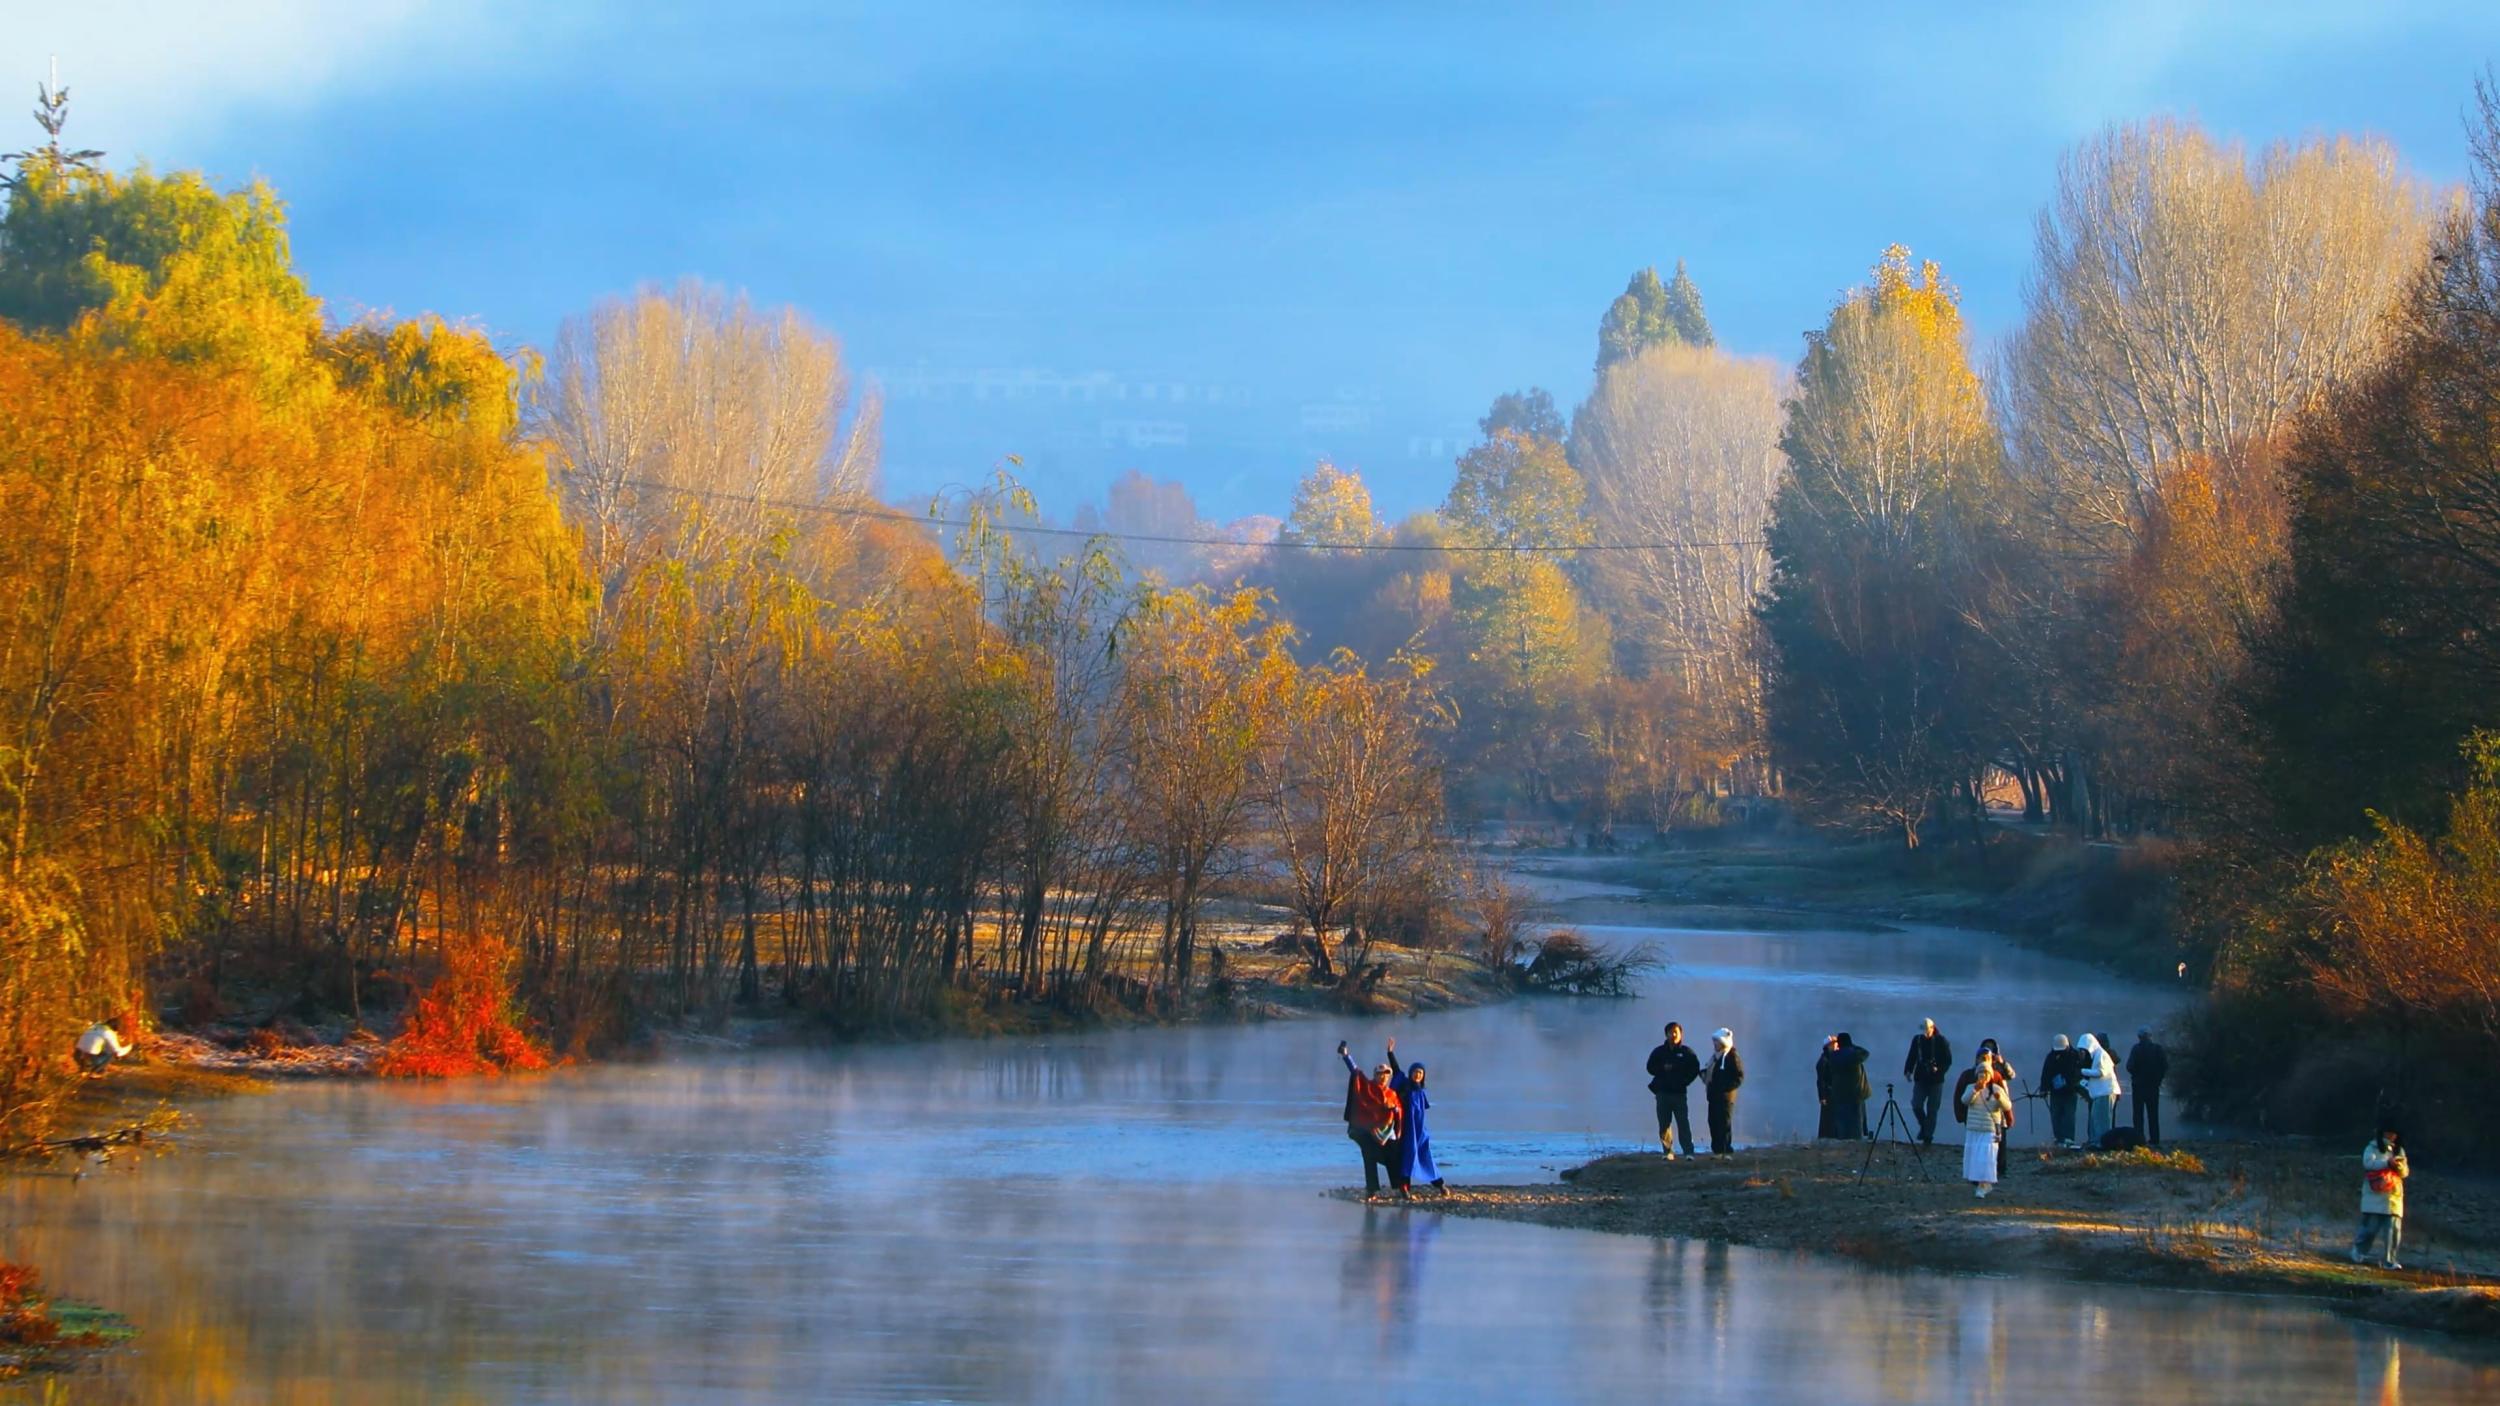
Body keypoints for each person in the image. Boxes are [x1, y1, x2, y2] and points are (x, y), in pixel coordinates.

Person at [1339, 1040, 1408, 1201]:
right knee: (1369, 1157)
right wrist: (1346, 1056)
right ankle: (1371, 1191)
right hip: (1369, 1131)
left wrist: (1395, 1111)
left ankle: (1401, 1188)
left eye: (1385, 1075)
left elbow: (1398, 1111)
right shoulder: (1368, 1087)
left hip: (1388, 1132)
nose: (1382, 1077)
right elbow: (1356, 1073)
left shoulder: (1392, 1093)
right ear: (1375, 1075)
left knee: (1395, 1158)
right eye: (1379, 1074)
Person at [1385, 1037, 1443, 1193]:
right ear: (1411, 1073)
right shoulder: (1404, 1085)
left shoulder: (1422, 1092)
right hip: (1406, 1128)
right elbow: (1396, 1071)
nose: (1418, 1075)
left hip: (1420, 1130)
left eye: (1421, 1073)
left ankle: (1439, 1184)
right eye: (1416, 1072)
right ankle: (1404, 1187)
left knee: (1425, 1155)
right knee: (1408, 1155)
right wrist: (1390, 1053)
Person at [2351, 1128, 2409, 1270]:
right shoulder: (2372, 1148)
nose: (2392, 1135)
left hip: (2393, 1195)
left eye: (2394, 1133)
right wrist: (2386, 1163)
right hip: (2375, 1194)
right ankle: (2359, 1251)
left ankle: (2390, 1261)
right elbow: (2368, 1164)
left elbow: (2405, 1172)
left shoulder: (2399, 1150)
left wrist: (2399, 1166)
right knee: (2370, 1228)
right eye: (2389, 1132)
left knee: (2393, 1231)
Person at [1644, 1022, 1702, 1159]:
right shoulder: (1659, 1052)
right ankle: (1668, 1151)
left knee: (1683, 1122)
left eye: (1676, 1032)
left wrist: (1685, 1081)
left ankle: (1688, 1152)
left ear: (1681, 1034)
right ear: (1666, 1034)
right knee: (1664, 1123)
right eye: (1671, 1032)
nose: (1674, 1035)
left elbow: (1695, 1069)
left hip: (1679, 1093)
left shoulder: (1686, 1052)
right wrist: (1663, 1068)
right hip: (1662, 1093)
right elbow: (1650, 1068)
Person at [1963, 1062, 2014, 1198]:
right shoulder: (1971, 1087)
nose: (1982, 1076)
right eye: (1980, 1073)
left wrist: (2000, 1098)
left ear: (1990, 1075)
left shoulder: (1997, 1089)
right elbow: (1965, 1101)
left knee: (1986, 1158)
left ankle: (1984, 1185)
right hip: (1974, 1128)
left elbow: (2007, 1106)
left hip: (1989, 1129)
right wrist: (1975, 1090)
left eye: (1985, 1073)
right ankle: (1979, 1182)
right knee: (1975, 1158)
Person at [1904, 1018, 1954, 1144]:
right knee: (1916, 1104)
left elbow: (1948, 1061)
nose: (1925, 1033)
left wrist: (1939, 1069)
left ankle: (1928, 1136)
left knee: (1932, 1109)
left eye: (1927, 1030)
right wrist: (1908, 1070)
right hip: (1920, 1077)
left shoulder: (1941, 1041)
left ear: (1932, 1028)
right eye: (1923, 1030)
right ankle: (1924, 1127)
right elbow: (1912, 1056)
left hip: (1936, 1080)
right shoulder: (1917, 1040)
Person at [1819, 1032, 1871, 1140]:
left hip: (1840, 1094)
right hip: (1855, 1093)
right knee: (1856, 1120)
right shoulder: (1853, 1054)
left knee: (1842, 1120)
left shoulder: (1833, 1056)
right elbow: (1865, 1053)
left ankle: (1843, 1139)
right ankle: (1856, 1140)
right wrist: (1852, 1045)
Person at [1703, 1028, 1744, 1156]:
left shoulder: (1732, 1056)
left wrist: (1724, 1088)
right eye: (1714, 1041)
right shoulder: (1715, 1057)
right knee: (1713, 1122)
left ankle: (1726, 1151)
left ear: (1723, 1042)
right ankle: (1717, 1151)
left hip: (1725, 1098)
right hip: (1713, 1096)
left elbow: (1739, 1077)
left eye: (1716, 1041)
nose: (1714, 1044)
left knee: (1723, 1124)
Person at [2077, 1032, 2123, 1145]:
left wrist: (2082, 1071)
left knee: (2102, 1120)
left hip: (2106, 1092)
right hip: (2099, 1093)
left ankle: (2102, 1143)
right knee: (2096, 1119)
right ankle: (2095, 1141)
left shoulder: (2101, 1055)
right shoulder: (2096, 1055)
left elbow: (2101, 1072)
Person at [2126, 1027, 2170, 1146]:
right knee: (2153, 1114)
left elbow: (2129, 1066)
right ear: (2150, 1036)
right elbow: (2165, 1066)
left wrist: (2136, 1075)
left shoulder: (2136, 1049)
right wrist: (2158, 1078)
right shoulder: (2157, 1049)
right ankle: (2155, 1139)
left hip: (2138, 1086)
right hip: (2153, 1086)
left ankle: (2139, 1139)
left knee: (2138, 1115)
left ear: (2139, 1037)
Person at [2039, 1035, 2083, 1147]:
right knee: (2055, 1115)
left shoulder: (2075, 1056)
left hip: (2070, 1091)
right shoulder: (2051, 1057)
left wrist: (2071, 1083)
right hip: (2055, 1092)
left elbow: (2079, 1073)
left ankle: (2069, 1139)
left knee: (2069, 1116)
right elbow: (2046, 1074)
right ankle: (2058, 1139)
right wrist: (2043, 1089)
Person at [1814, 1035, 1841, 1139]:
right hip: (1828, 1093)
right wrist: (1822, 1096)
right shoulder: (1823, 1061)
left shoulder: (1829, 1059)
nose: (1836, 1046)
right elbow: (1820, 1081)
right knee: (1827, 1118)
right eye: (1834, 1044)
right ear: (1828, 1046)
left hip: (1832, 1092)